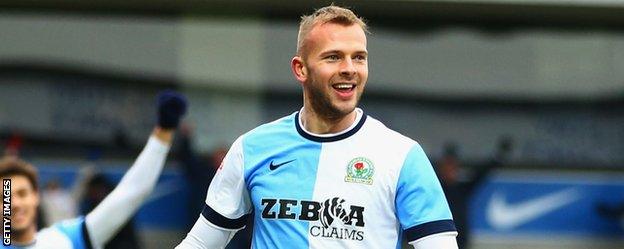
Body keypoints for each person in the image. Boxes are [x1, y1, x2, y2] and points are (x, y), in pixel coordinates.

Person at [176, 5, 457, 249]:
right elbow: (202, 242)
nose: (349, 68)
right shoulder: (251, 148)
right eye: (333, 57)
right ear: (301, 69)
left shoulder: (402, 155)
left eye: (358, 57)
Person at [1, 90, 187, 249]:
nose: (14, 203)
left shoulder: (65, 239)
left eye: (22, 193)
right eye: (4, 198)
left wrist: (164, 131)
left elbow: (130, 194)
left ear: (36, 196)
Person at [437, 138, 513, 249]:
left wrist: (498, 157)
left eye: (453, 168)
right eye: (447, 167)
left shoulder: (462, 189)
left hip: (460, 240)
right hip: (441, 240)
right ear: (441, 169)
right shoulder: (436, 190)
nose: (450, 171)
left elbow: (480, 174)